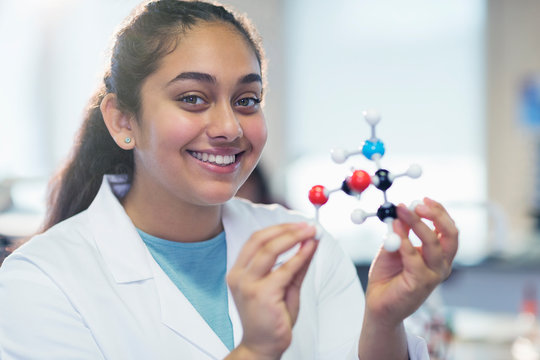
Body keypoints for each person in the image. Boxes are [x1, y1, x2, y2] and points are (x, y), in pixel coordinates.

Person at [0, 1, 458, 359]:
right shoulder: (40, 282)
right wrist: (256, 352)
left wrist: (382, 323)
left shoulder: (305, 246)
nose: (230, 128)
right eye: (194, 98)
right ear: (123, 121)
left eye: (246, 99)